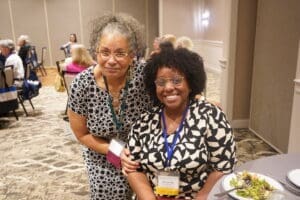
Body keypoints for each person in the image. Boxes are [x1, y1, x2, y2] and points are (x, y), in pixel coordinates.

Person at [124, 47, 236, 200]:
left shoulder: (211, 116)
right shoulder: (145, 121)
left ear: (190, 83)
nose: (169, 87)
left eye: (177, 80)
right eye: (161, 82)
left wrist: (202, 197)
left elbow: (223, 165)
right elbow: (133, 168)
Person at [67, 13, 150, 200]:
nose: (111, 60)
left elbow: (171, 88)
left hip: (143, 151)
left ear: (132, 55)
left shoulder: (145, 77)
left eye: (120, 53)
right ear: (96, 52)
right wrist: (117, 151)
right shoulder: (82, 85)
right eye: (105, 52)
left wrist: (200, 98)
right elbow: (81, 134)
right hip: (103, 154)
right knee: (111, 194)